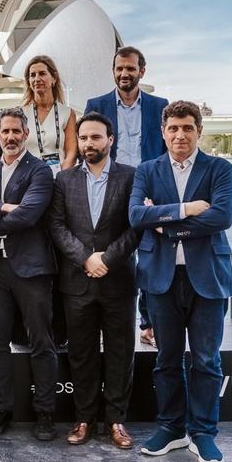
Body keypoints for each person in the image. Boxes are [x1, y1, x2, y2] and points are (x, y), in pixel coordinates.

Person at [130, 100, 232, 462]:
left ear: (198, 131)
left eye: (187, 128)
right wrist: (187, 210)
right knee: (166, 359)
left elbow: (222, 217)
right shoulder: (146, 170)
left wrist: (166, 225)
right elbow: (135, 215)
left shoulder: (220, 169)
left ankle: (203, 433)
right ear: (163, 132)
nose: (180, 135)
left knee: (207, 360)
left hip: (207, 279)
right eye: (173, 128)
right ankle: (172, 428)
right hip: (161, 278)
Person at [47, 112, 140, 449]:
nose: (88, 144)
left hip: (118, 282)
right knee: (81, 355)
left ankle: (116, 421)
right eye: (83, 138)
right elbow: (56, 226)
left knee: (120, 353)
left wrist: (108, 259)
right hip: (77, 281)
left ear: (110, 140)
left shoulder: (131, 178)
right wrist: (86, 257)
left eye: (95, 138)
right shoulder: (64, 180)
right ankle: (84, 419)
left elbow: (135, 227)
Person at [0, 107, 59, 442]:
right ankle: (0, 410)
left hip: (31, 268)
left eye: (16, 132)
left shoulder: (40, 172)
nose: (10, 137)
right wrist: (2, 208)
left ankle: (46, 412)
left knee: (41, 341)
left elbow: (30, 215)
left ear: (26, 135)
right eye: (4, 131)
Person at [84, 46, 170, 347]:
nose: (124, 74)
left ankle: (148, 325)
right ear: (113, 71)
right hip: (109, 187)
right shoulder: (96, 104)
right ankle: (102, 322)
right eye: (119, 68)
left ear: (141, 71)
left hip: (147, 190)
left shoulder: (160, 106)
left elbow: (166, 150)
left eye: (130, 68)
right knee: (108, 250)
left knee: (149, 254)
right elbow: (89, 145)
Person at [18, 55, 77, 174]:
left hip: (59, 178)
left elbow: (72, 152)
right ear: (28, 82)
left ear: (53, 79)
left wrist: (61, 175)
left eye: (42, 73)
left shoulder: (67, 113)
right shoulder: (19, 114)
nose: (37, 78)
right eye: (32, 75)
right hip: (28, 178)